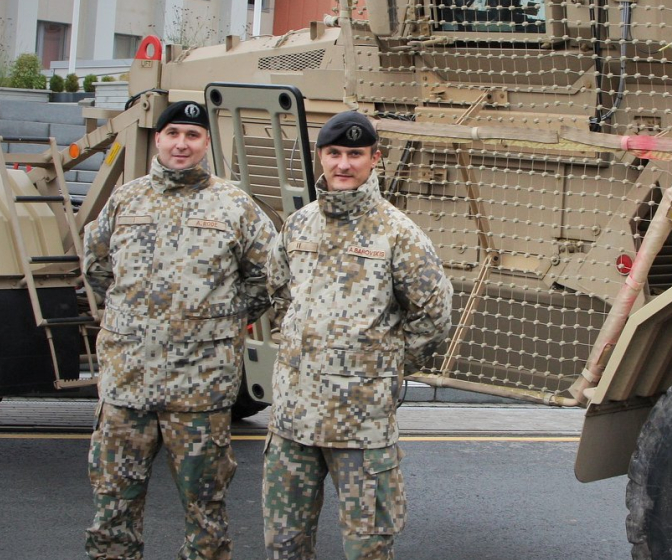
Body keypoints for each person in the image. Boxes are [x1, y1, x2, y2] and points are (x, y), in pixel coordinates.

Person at [81, 100, 278, 560]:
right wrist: (137, 319)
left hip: (199, 389)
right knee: (113, 508)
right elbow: (97, 267)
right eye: (173, 134)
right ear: (158, 139)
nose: (181, 144)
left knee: (205, 510)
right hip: (127, 384)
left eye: (192, 135)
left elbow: (267, 277)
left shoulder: (234, 205)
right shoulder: (126, 200)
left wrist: (221, 319)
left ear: (206, 142)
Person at [264, 111, 454, 560]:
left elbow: (434, 314)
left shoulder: (397, 233)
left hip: (361, 424)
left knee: (367, 547)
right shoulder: (298, 225)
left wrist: (384, 366)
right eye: (334, 154)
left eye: (355, 154)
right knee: (285, 544)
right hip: (293, 419)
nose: (344, 164)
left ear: (375, 158)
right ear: (320, 157)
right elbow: (278, 294)